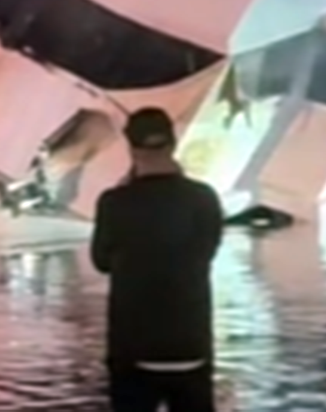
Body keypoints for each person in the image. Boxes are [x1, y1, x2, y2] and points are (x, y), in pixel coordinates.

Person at [91, 107, 225, 412]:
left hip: (132, 348)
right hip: (191, 345)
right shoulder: (203, 199)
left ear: (131, 148)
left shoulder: (115, 203)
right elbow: (206, 252)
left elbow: (101, 261)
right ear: (173, 143)